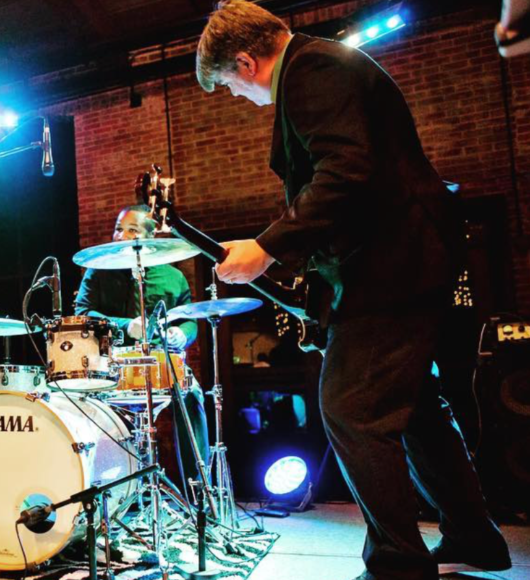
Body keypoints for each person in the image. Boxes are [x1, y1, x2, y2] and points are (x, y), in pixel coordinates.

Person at [195, 2, 510, 579]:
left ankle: (397, 565)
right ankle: (474, 537)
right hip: (411, 259)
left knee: (352, 409)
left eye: (230, 87)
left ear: (245, 60)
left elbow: (345, 171)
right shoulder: (326, 64)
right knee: (411, 409)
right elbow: (345, 178)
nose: (240, 99)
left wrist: (267, 246)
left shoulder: (311, 71)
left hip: (396, 264)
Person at [75, 204, 210, 490]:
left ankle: (198, 490)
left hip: (160, 361)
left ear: (149, 236)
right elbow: (82, 313)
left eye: (131, 230)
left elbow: (190, 322)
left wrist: (180, 334)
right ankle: (108, 491)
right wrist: (126, 325)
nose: (120, 236)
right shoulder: (97, 271)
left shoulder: (173, 276)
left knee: (193, 396)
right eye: (117, 229)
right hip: (111, 364)